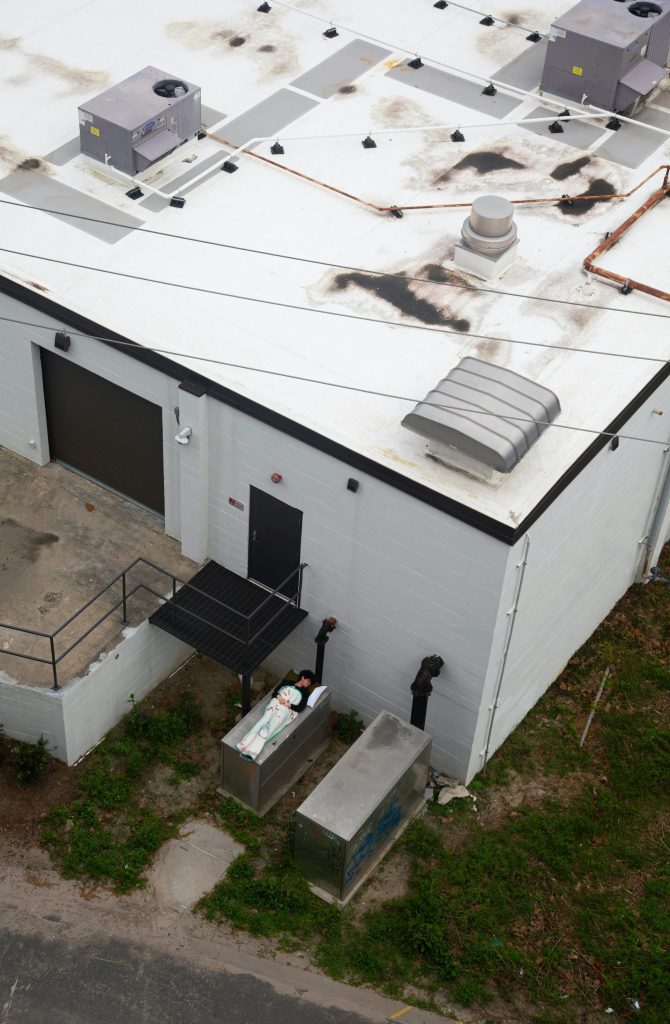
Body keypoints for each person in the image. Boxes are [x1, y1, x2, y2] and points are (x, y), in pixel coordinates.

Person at [236, 670, 316, 761]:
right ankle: (244, 743)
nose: (309, 684)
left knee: (271, 728)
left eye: (310, 683)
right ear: (303, 677)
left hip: (286, 710)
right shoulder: (287, 682)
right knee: (264, 720)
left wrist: (288, 705)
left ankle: (252, 752)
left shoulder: (305, 693)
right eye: (308, 681)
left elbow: (300, 707)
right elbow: (275, 692)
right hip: (275, 704)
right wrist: (279, 698)